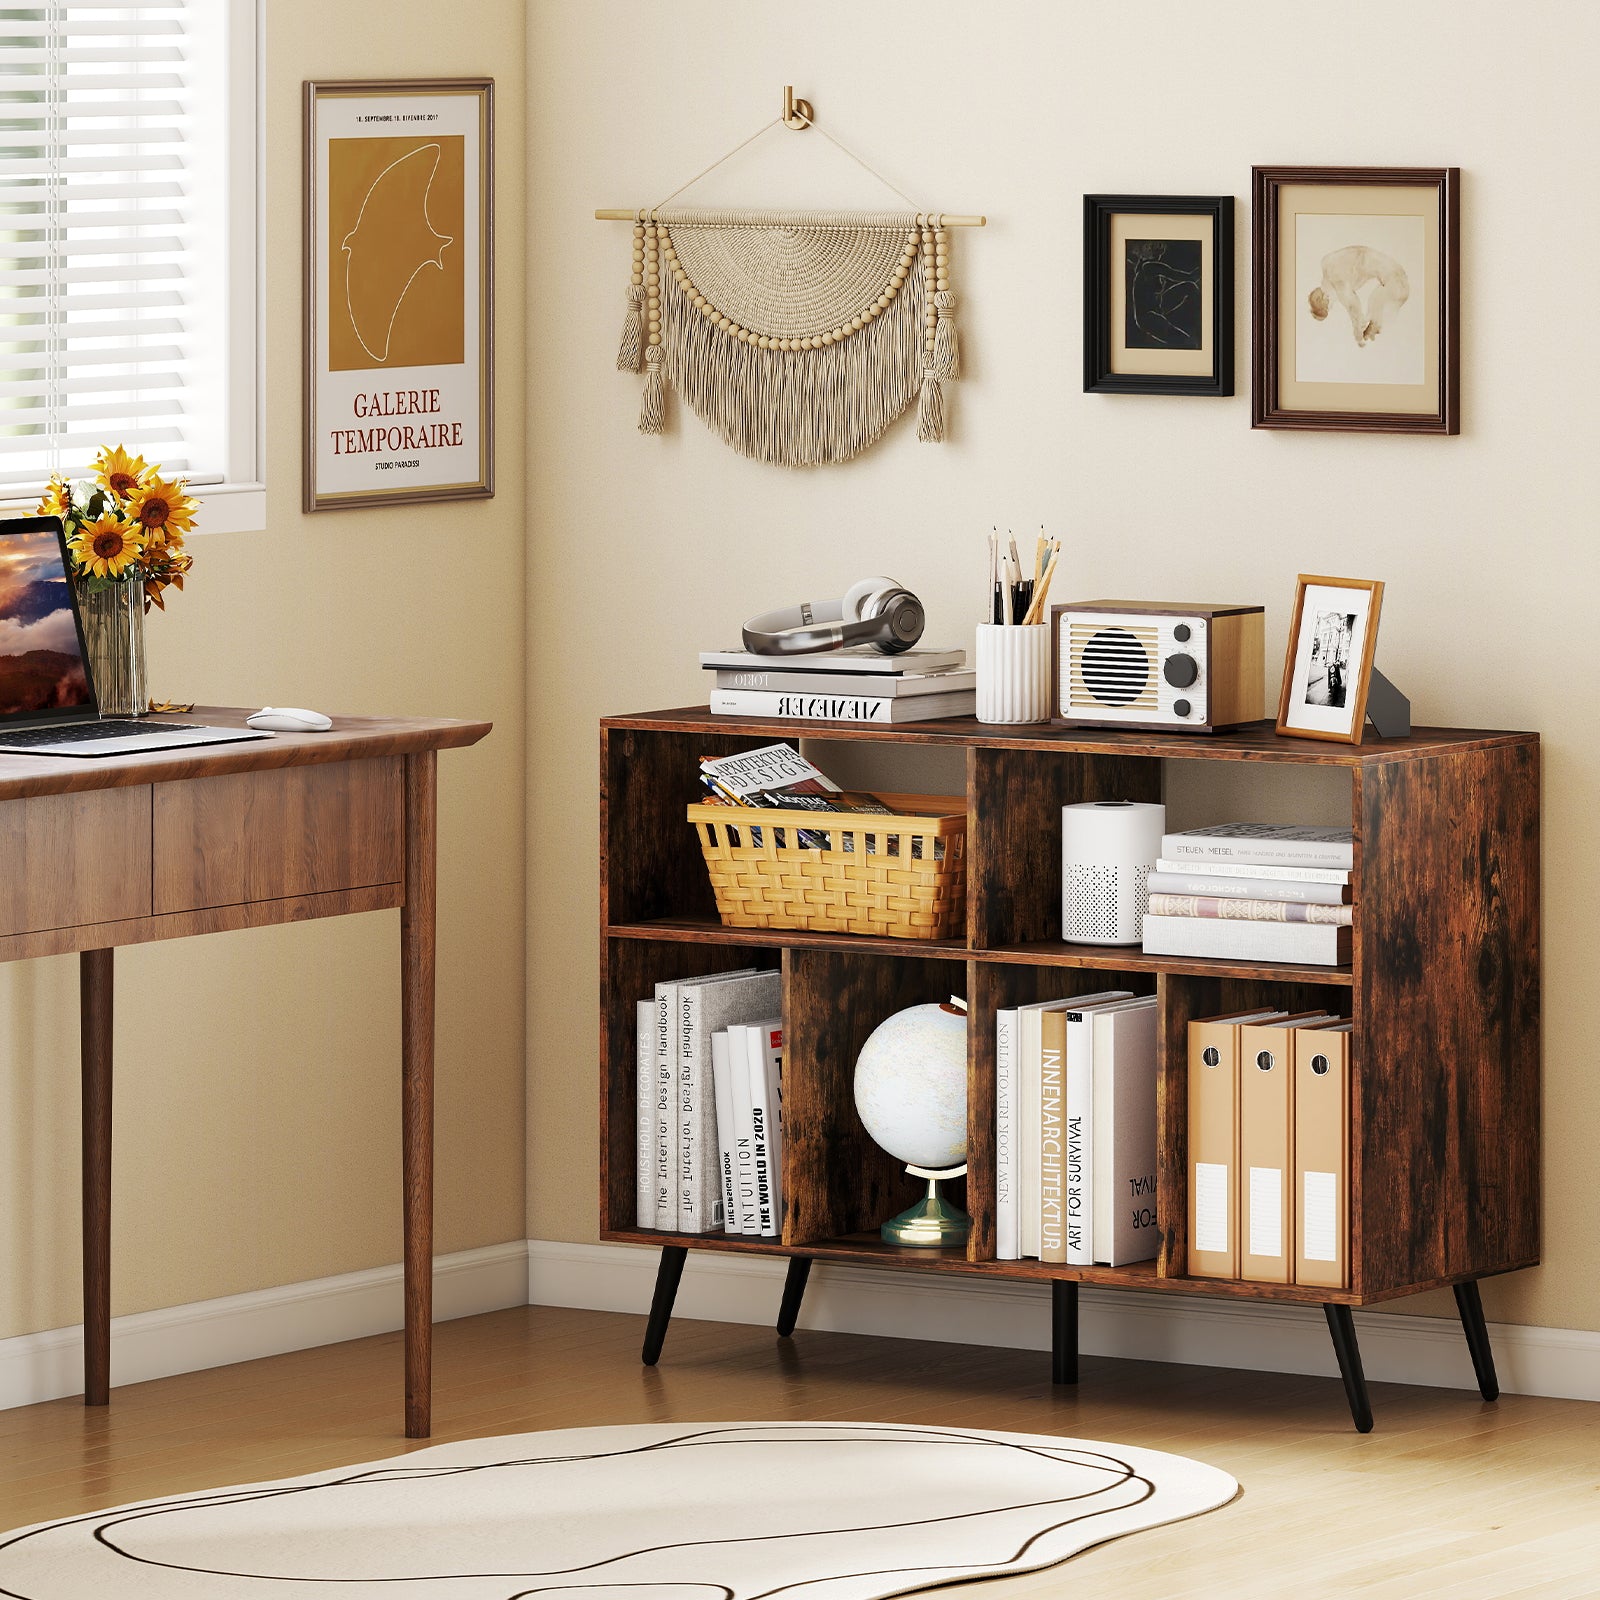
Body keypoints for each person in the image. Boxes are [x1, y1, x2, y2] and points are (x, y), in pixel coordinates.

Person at [1308, 246, 1409, 348]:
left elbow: (1353, 307)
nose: (1330, 306)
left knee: (1373, 321)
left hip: (1397, 282)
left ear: (1321, 299)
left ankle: (1371, 330)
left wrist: (1358, 334)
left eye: (1326, 307)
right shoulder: (1328, 266)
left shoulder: (1334, 278)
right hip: (1396, 280)